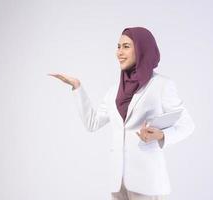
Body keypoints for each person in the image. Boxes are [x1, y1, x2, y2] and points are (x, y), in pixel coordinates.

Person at [48, 27, 195, 200]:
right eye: (118, 47)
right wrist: (77, 87)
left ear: (141, 49)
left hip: (147, 182)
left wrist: (161, 135)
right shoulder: (114, 91)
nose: (119, 52)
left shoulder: (161, 85)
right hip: (118, 182)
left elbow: (187, 125)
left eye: (126, 46)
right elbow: (92, 123)